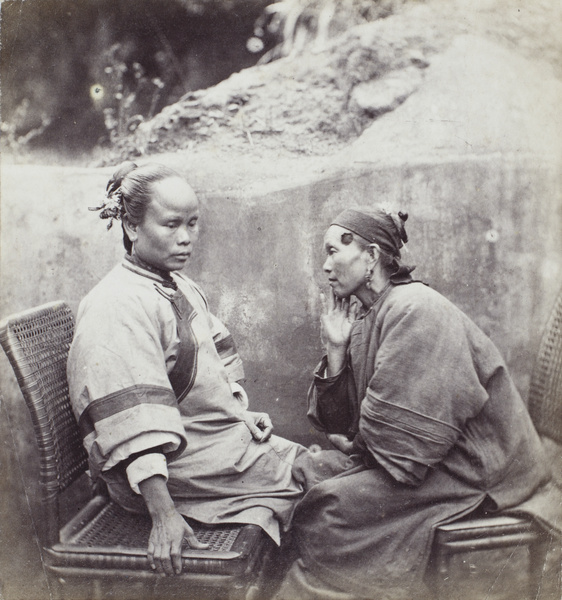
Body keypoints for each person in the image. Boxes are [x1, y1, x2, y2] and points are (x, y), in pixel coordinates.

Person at [276, 207, 553, 599]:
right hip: (423, 459)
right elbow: (341, 425)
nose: (325, 265)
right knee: (308, 470)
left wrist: (353, 446)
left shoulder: (415, 309)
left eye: (334, 250)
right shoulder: (369, 314)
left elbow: (396, 447)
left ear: (371, 256)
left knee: (331, 508)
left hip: (473, 469)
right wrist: (336, 348)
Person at [67, 161, 310, 577]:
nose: (186, 238)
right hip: (161, 473)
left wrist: (239, 413)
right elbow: (132, 423)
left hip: (206, 443)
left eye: (193, 224)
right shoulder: (117, 305)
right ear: (131, 227)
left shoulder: (177, 285)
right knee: (321, 486)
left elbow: (207, 375)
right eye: (172, 224)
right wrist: (163, 516)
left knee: (321, 472)